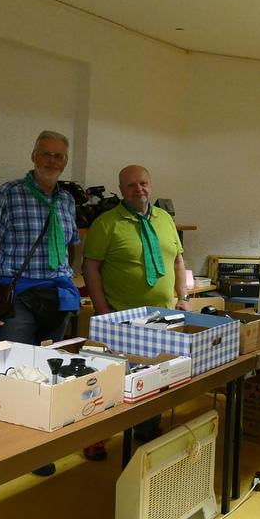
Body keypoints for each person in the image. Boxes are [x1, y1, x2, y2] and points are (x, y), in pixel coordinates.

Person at [0, 129, 81, 479]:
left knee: (46, 378)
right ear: (34, 157)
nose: (52, 160)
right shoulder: (9, 193)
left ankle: (34, 453)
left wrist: (69, 281)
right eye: (46, 154)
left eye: (59, 156)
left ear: (65, 162)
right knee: (8, 377)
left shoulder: (67, 200)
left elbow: (71, 247)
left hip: (58, 298)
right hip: (18, 297)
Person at [82, 164, 191, 459]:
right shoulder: (106, 223)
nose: (138, 189)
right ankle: (96, 438)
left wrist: (183, 297)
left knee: (155, 377)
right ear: (121, 190)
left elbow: (178, 260)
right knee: (109, 382)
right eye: (131, 185)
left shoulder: (165, 219)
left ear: (150, 185)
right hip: (121, 320)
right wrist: (103, 312)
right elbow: (90, 268)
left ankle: (147, 429)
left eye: (143, 183)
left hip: (162, 317)